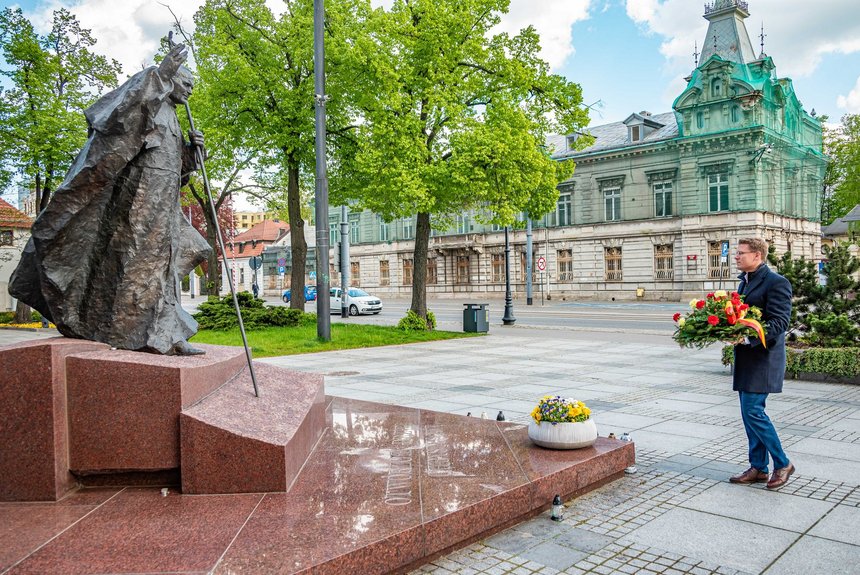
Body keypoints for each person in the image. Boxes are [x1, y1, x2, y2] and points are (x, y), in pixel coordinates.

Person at [9, 43, 211, 355]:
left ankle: (165, 334)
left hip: (163, 206)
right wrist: (159, 75)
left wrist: (191, 156)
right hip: (138, 203)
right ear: (171, 79)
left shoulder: (172, 116)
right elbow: (122, 120)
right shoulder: (150, 99)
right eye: (186, 83)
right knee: (137, 270)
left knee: (174, 261)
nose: (190, 90)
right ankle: (139, 334)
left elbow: (172, 169)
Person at [729, 238, 795, 490]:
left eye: (741, 253)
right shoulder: (744, 282)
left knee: (754, 412)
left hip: (764, 358)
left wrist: (749, 338)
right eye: (736, 253)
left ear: (757, 256)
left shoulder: (777, 282)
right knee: (748, 415)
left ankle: (783, 463)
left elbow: (780, 322)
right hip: (747, 358)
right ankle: (758, 467)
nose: (736, 257)